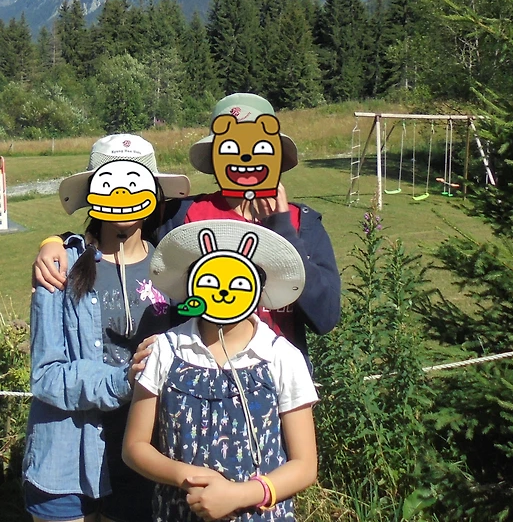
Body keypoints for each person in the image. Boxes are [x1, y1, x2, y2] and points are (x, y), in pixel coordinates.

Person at [35, 94, 340, 358]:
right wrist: (56, 242)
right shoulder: (184, 214)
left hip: (276, 392)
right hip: (196, 390)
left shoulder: (304, 224)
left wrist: (284, 232)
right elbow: (119, 221)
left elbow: (325, 317)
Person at [23, 134, 190, 522]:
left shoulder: (174, 271)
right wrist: (122, 381)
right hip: (66, 464)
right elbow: (45, 375)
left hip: (145, 462)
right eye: (110, 184)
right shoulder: (59, 266)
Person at [123, 220, 319, 522]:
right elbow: (134, 447)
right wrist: (187, 476)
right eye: (210, 282)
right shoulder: (165, 350)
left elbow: (305, 465)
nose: (224, 293)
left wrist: (240, 494)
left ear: (258, 287)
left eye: (239, 283)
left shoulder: (281, 357)